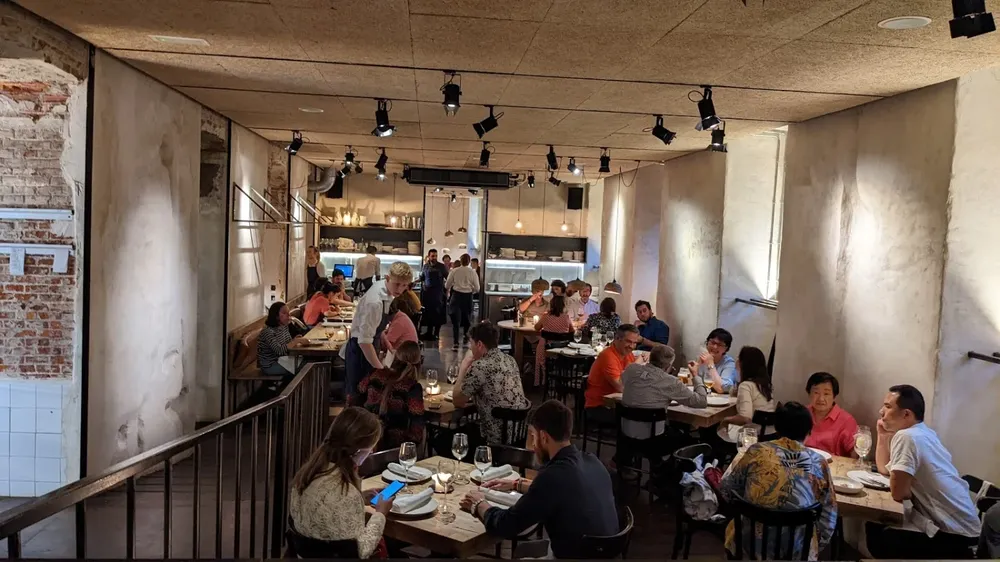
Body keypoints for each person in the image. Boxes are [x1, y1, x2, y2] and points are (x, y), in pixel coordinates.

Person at [459, 400, 618, 559]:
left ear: (543, 436)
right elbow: (566, 491)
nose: (533, 446)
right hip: (605, 554)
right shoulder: (593, 462)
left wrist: (479, 503)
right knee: (524, 551)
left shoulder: (552, 476)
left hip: (573, 555)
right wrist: (517, 484)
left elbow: (505, 525)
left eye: (533, 436)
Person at [867, 385, 980, 559]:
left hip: (956, 536)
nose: (881, 411)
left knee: (880, 534)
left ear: (906, 414)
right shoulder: (923, 433)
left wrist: (899, 482)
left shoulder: (908, 437)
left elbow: (899, 493)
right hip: (967, 532)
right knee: (878, 528)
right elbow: (885, 470)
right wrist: (882, 436)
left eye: (888, 407)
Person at [720, 401, 837, 560]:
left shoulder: (756, 451)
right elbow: (829, 515)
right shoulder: (818, 462)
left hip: (748, 546)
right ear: (809, 431)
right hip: (796, 551)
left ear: (776, 427)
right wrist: (813, 548)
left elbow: (727, 488)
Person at [289, 406, 392, 559]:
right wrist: (380, 513)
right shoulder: (347, 494)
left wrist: (361, 498)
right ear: (359, 451)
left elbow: (326, 508)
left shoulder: (306, 476)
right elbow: (362, 550)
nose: (371, 452)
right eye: (371, 447)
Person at [340, 262, 413, 399]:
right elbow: (364, 341)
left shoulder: (387, 290)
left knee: (370, 394)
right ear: (387, 278)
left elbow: (375, 328)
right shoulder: (375, 302)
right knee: (359, 396)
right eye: (397, 284)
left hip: (369, 345)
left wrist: (387, 343)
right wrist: (381, 370)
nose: (400, 289)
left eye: (404, 285)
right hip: (360, 351)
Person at [451, 322, 530, 448]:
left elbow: (458, 401)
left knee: (444, 439)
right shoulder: (510, 360)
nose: (470, 348)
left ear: (480, 344)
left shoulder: (480, 366)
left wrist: (463, 368)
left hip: (493, 439)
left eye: (471, 343)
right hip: (517, 435)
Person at [620, 345, 707, 440]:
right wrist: (695, 375)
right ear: (669, 365)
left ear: (651, 357)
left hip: (626, 433)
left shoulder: (631, 369)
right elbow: (701, 401)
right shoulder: (671, 382)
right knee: (688, 438)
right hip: (655, 439)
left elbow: (623, 381)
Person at [353, 341, 425, 451]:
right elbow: (416, 431)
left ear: (395, 358)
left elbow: (356, 396)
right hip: (393, 449)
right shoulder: (412, 388)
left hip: (364, 440)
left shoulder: (375, 374)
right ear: (419, 363)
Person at [584, 324, 640, 431]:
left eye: (635, 343)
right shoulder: (608, 356)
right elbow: (621, 387)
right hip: (600, 406)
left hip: (618, 403)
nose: (632, 346)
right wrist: (637, 365)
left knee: (650, 415)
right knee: (641, 418)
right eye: (628, 341)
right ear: (617, 339)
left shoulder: (627, 353)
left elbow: (636, 380)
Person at [717, 346, 776, 440]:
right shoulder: (765, 384)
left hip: (753, 436)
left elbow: (745, 418)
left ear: (744, 364)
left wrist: (725, 420)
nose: (737, 360)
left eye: (739, 358)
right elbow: (733, 392)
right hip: (770, 433)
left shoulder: (746, 385)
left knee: (715, 431)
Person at [803, 372, 859, 457]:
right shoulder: (802, 413)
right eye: (816, 393)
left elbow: (856, 455)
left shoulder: (846, 421)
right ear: (809, 394)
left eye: (826, 394)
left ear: (834, 396)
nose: (821, 399)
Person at [533, 295, 574, 386]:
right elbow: (572, 332)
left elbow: (536, 328)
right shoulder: (566, 317)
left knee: (540, 343)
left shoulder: (546, 316)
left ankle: (541, 380)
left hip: (546, 349)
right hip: (562, 350)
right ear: (563, 306)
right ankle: (560, 378)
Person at [258, 301, 305, 377]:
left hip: (282, 360)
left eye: (288, 312)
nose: (288, 315)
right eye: (284, 313)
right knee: (304, 367)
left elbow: (288, 343)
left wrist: (295, 340)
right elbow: (279, 351)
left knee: (307, 362)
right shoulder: (268, 331)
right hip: (270, 365)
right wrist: (295, 341)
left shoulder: (283, 326)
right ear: (276, 316)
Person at [445, 253, 480, 350]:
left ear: (460, 261)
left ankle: (455, 342)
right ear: (469, 262)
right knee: (467, 319)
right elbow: (477, 288)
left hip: (456, 296)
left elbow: (447, 285)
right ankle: (465, 337)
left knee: (456, 321)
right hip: (468, 296)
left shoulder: (454, 271)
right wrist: (470, 290)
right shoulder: (472, 272)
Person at [689, 328, 737, 394]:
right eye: (712, 342)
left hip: (722, 401)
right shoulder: (702, 358)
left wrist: (711, 364)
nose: (715, 347)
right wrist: (693, 373)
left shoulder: (729, 363)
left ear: (726, 348)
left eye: (720, 345)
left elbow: (721, 389)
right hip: (703, 398)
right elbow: (691, 384)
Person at [379, 291, 419, 365]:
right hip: (405, 355)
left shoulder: (398, 322)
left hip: (403, 360)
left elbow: (384, 346)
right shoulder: (400, 316)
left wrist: (382, 335)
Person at [418, 249, 449, 341]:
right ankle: (429, 332)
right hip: (427, 293)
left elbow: (448, 278)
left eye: (435, 256)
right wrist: (412, 282)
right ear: (429, 256)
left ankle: (436, 333)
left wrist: (447, 291)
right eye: (432, 256)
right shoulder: (425, 266)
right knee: (428, 313)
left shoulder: (441, 266)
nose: (434, 257)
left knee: (437, 313)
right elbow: (422, 278)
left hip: (437, 293)